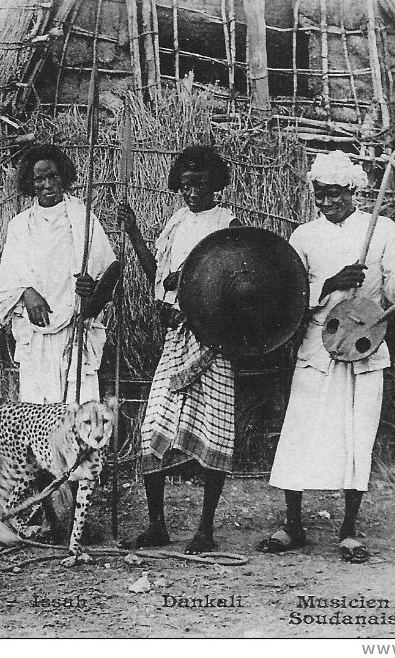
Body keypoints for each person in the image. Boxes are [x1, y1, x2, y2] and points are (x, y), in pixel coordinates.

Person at [257, 150, 395, 563]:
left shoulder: (381, 229)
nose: (327, 202)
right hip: (319, 346)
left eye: (335, 194)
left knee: (357, 435)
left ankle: (349, 530)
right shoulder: (304, 236)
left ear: (353, 192)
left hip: (365, 348)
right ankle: (292, 525)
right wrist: (332, 284)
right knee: (300, 432)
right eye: (320, 194)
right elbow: (290, 299)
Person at [118, 145, 242, 555]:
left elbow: (236, 283)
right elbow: (158, 277)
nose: (192, 193)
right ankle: (158, 526)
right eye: (185, 185)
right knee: (153, 426)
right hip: (176, 340)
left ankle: (205, 530)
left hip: (214, 340)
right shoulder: (175, 224)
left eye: (200, 185)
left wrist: (189, 289)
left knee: (215, 431)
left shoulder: (228, 224)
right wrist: (134, 230)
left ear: (215, 184)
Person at [0, 144, 118, 404]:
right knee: (39, 414)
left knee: (78, 411)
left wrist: (91, 288)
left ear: (63, 176)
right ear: (30, 182)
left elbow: (109, 273)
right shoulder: (20, 227)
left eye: (53, 176)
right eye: (39, 178)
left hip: (75, 330)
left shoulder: (83, 219)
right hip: (36, 333)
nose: (47, 184)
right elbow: (7, 283)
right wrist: (26, 293)